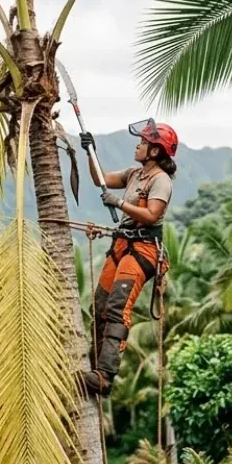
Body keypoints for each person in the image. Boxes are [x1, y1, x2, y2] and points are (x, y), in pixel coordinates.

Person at [78, 119, 178, 395]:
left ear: (155, 151)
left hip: (143, 249)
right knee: (100, 304)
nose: (138, 145)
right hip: (122, 244)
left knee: (117, 307)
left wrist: (119, 203)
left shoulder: (161, 181)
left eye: (144, 142)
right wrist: (91, 153)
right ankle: (94, 363)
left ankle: (105, 375)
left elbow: (151, 215)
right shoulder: (135, 174)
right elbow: (100, 178)